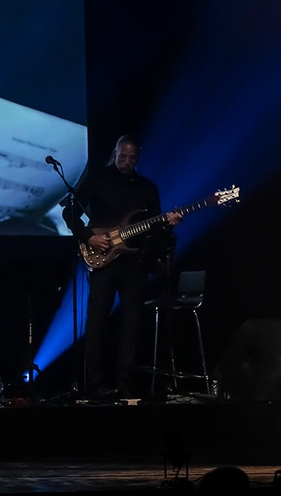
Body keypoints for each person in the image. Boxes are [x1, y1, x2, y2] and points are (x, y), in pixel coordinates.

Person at [63, 134, 180, 400]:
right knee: (95, 321)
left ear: (138, 158)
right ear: (114, 153)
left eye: (132, 158)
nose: (126, 162)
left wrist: (169, 222)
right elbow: (69, 212)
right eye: (122, 156)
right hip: (102, 259)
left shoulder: (147, 188)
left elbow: (156, 226)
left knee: (132, 323)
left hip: (135, 262)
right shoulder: (96, 179)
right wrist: (88, 236)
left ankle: (124, 383)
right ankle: (94, 384)